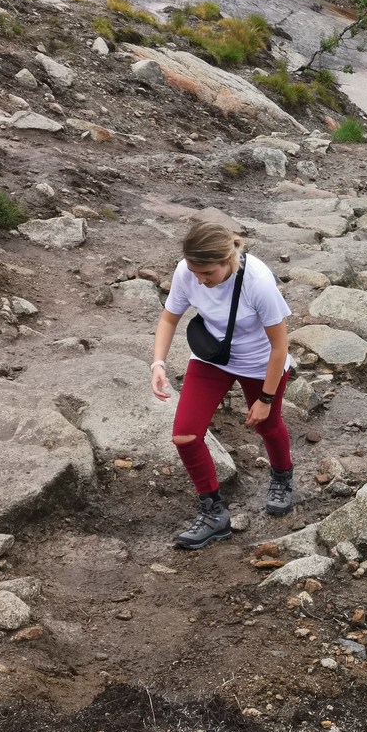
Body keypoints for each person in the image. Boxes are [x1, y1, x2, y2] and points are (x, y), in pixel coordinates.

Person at [150, 218, 296, 550]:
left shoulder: (258, 282)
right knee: (185, 435)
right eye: (194, 272)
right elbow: (169, 317)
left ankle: (282, 478)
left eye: (207, 274)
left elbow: (279, 347)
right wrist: (158, 362)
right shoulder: (187, 271)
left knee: (267, 426)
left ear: (226, 261)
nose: (199, 281)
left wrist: (266, 398)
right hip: (212, 357)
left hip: (261, 363)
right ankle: (214, 513)